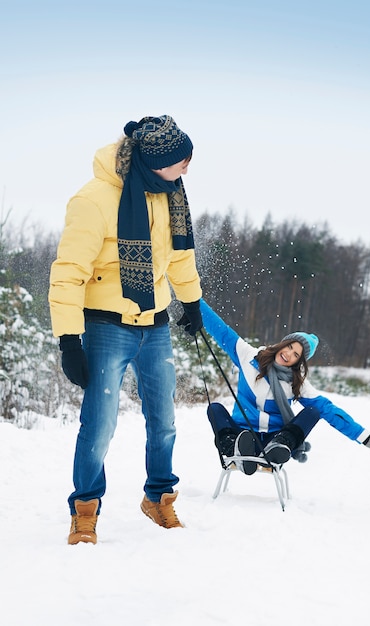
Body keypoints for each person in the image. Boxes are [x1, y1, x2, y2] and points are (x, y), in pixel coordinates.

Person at [49, 115, 203, 545]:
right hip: (105, 326)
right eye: (182, 161)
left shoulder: (168, 195)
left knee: (165, 419)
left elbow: (178, 256)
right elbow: (68, 273)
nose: (187, 169)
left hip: (154, 325)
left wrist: (191, 302)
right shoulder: (94, 199)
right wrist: (68, 339)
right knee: (99, 425)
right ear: (155, 162)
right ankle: (85, 509)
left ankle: (159, 498)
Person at [199, 299, 370, 475]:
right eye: (290, 347)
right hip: (242, 435)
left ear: (299, 362)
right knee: (215, 409)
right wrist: (191, 299)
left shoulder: (296, 383)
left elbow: (330, 411)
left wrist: (365, 437)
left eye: (296, 355)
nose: (289, 354)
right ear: (282, 344)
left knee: (314, 411)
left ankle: (279, 447)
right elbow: (220, 329)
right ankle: (236, 450)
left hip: (274, 438)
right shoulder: (247, 356)